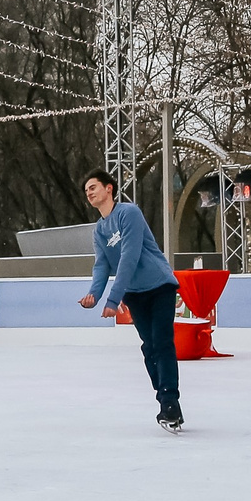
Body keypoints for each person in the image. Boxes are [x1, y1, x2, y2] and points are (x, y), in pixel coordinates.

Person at [77, 170, 184, 430]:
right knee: (149, 347)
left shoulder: (129, 213)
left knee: (161, 342)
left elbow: (129, 256)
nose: (89, 193)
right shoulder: (100, 230)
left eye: (93, 187)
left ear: (109, 188)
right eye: (86, 190)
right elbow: (102, 265)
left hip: (159, 286)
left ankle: (170, 401)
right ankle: (166, 403)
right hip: (135, 294)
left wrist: (112, 300)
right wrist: (95, 293)